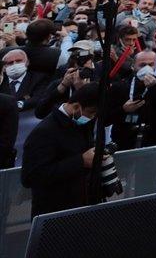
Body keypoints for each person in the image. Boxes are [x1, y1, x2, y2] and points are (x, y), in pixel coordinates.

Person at [21, 82, 100, 217]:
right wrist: (80, 161)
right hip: (53, 211)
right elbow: (31, 177)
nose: (92, 118)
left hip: (79, 205)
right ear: (76, 107)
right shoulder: (44, 132)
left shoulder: (82, 124)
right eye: (91, 113)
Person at [105, 50, 156, 150]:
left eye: (151, 64)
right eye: (142, 65)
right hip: (125, 141)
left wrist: (155, 87)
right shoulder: (120, 86)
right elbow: (105, 119)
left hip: (152, 141)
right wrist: (123, 109)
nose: (147, 68)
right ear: (133, 66)